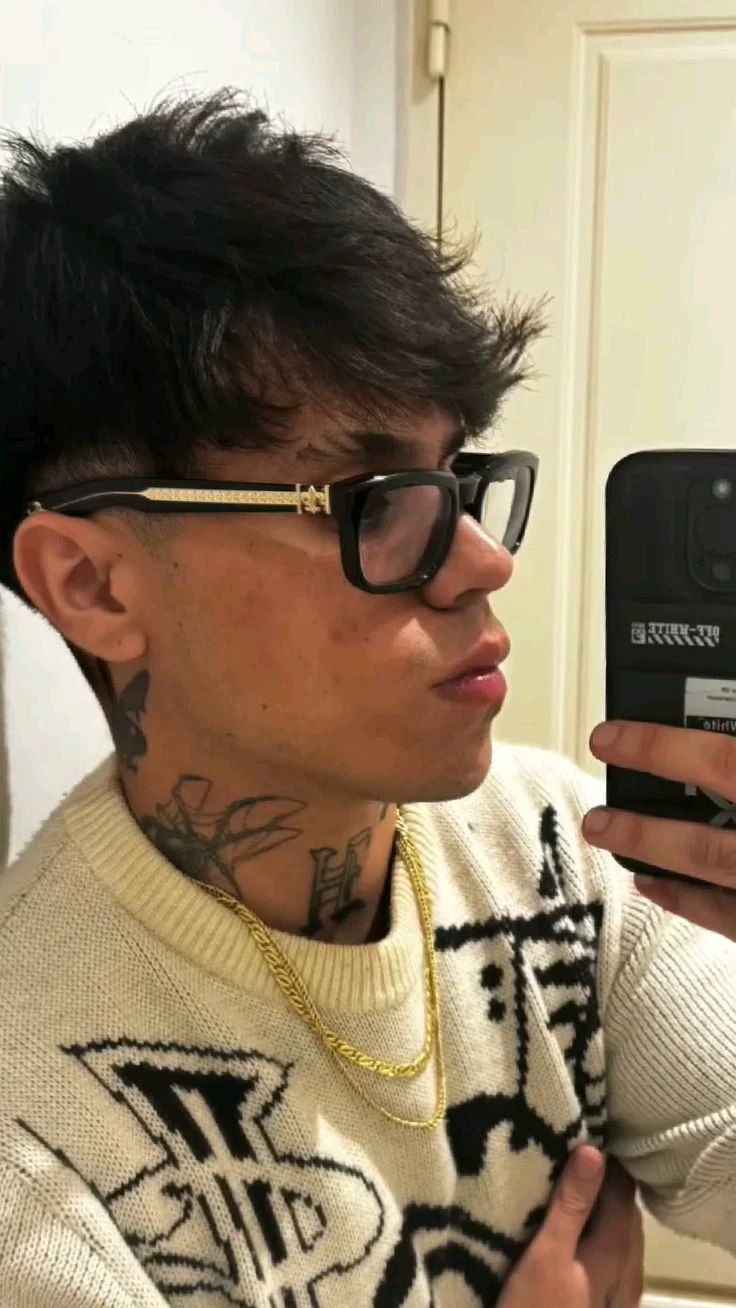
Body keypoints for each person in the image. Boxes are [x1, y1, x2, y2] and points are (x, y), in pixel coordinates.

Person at [0, 89, 733, 1307]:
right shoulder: (29, 1120)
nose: (482, 561)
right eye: (371, 501)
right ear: (94, 584)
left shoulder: (563, 840)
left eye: (456, 477)